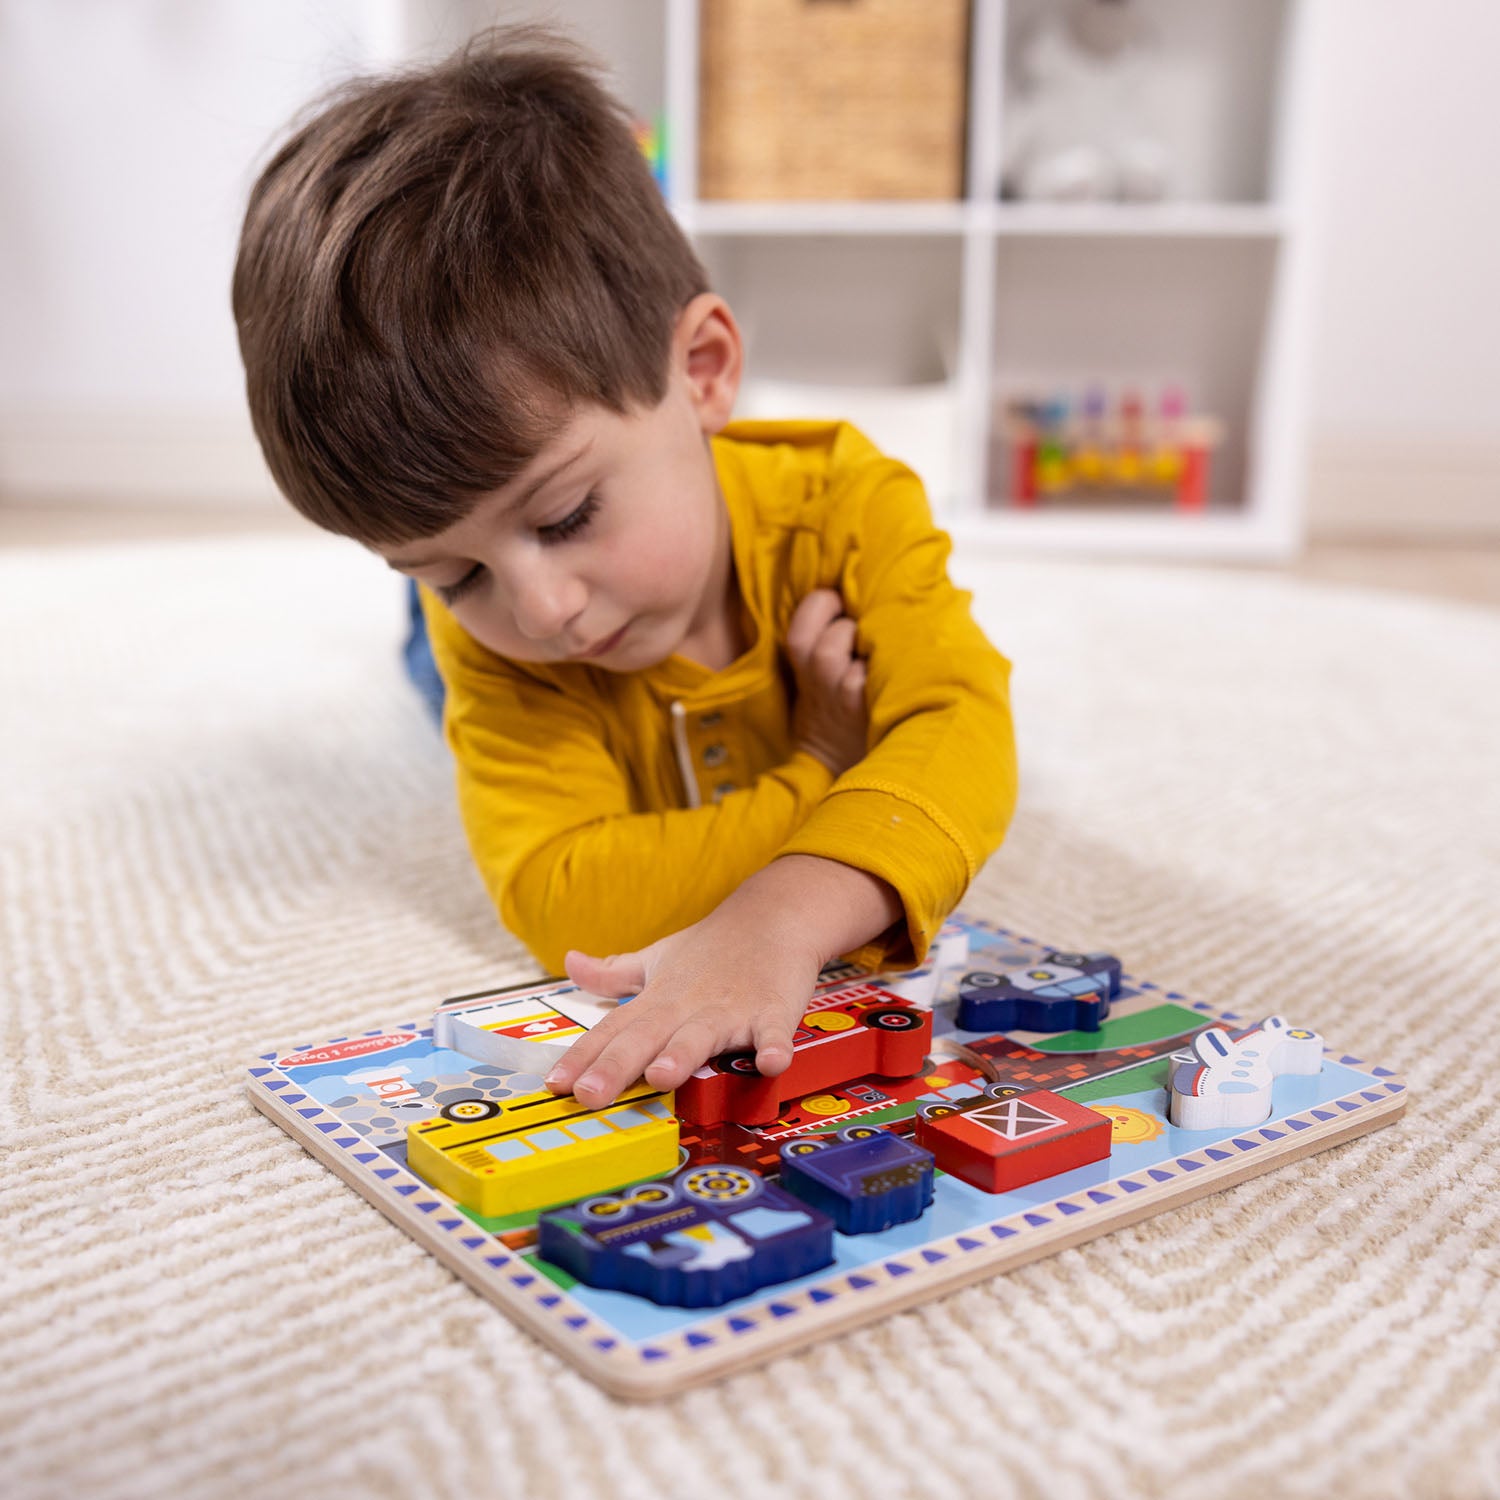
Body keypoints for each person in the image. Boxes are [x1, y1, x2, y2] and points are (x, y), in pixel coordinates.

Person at [232, 27, 1017, 1112]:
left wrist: (784, 910)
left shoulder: (849, 505)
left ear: (703, 371)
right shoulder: (497, 633)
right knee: (436, 666)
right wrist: (823, 771)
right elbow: (568, 904)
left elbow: (965, 732)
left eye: (566, 515)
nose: (542, 610)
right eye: (451, 570)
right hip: (493, 678)